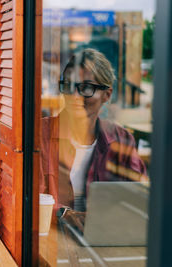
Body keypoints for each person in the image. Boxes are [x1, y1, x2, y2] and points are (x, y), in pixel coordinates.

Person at [40, 48, 147, 232]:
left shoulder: (122, 140)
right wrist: (62, 215)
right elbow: (25, 200)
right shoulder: (40, 135)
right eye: (68, 85)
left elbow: (140, 201)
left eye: (86, 87)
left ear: (107, 94)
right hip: (53, 242)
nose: (74, 95)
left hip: (105, 242)